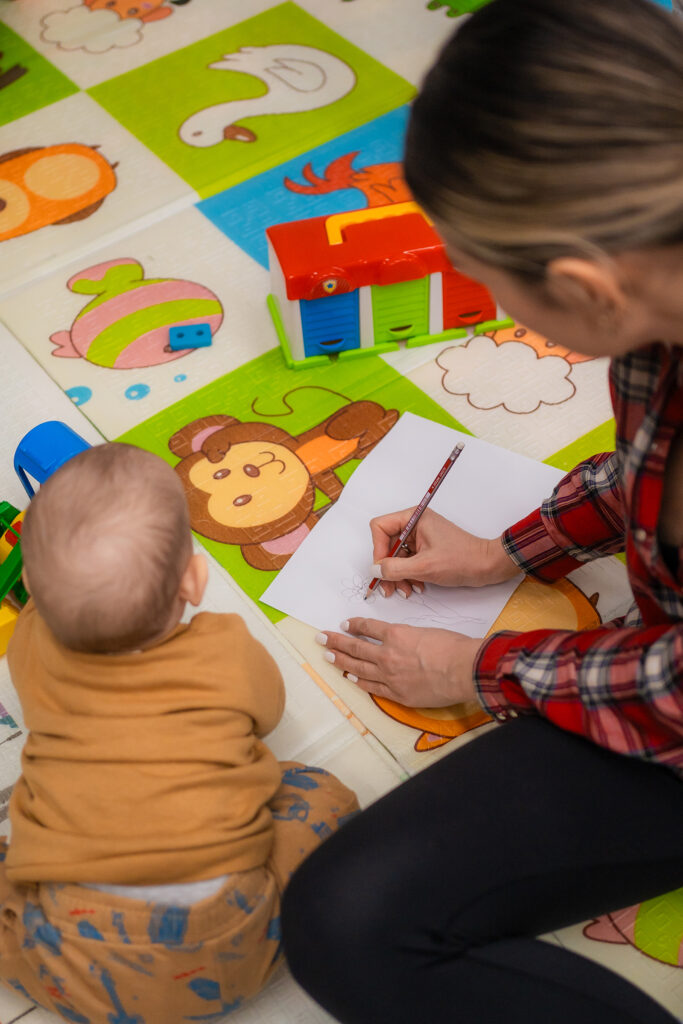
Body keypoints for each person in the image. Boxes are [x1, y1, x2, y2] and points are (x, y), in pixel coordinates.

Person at [280, 0, 683, 1021]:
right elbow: (645, 454)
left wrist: (478, 670)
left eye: (483, 275)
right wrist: (510, 545)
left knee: (351, 920)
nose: (489, 304)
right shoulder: (655, 296)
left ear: (583, 287)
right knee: (343, 912)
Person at [0, 442, 358, 1023]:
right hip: (234, 938)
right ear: (194, 579)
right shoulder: (224, 648)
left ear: (34, 592)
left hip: (75, 957)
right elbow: (266, 714)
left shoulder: (28, 648)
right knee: (318, 791)